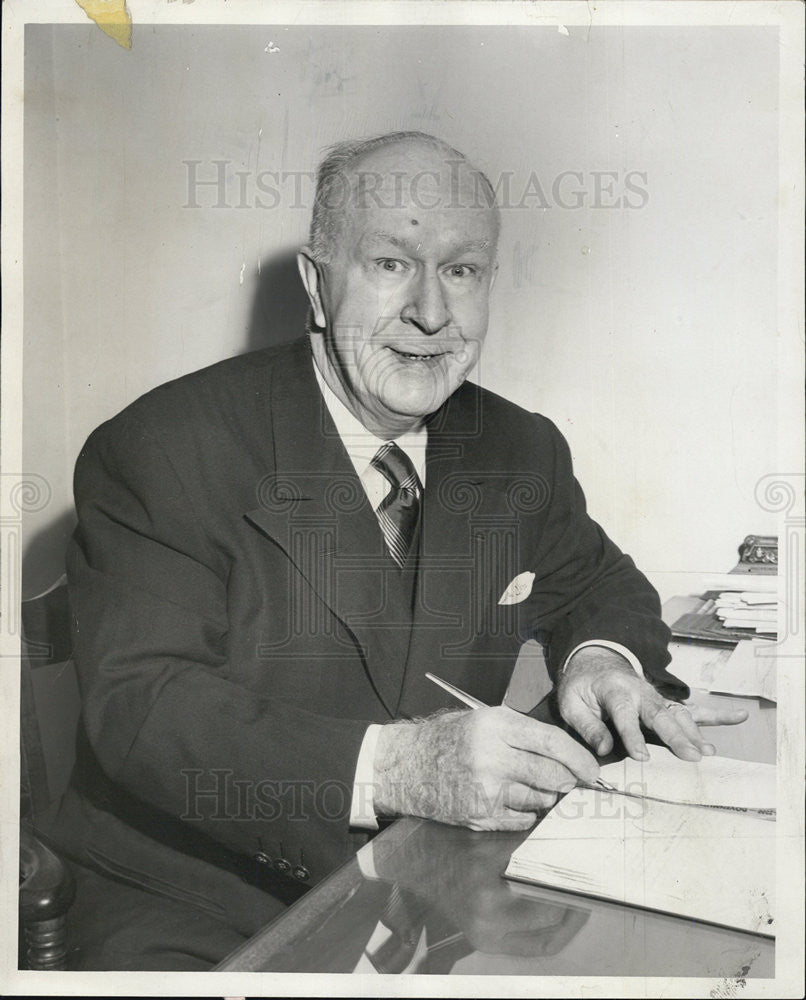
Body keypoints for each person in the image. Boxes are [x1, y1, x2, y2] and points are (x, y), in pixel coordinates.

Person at [48, 131, 746, 970]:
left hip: (429, 896)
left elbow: (601, 583)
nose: (430, 313)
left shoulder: (517, 447)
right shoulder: (161, 447)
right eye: (389, 264)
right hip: (197, 903)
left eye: (462, 270)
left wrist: (600, 660)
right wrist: (398, 768)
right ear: (315, 282)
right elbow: (145, 709)